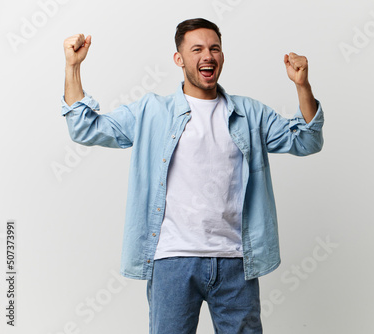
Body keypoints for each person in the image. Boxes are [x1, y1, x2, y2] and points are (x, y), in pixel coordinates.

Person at [62, 18, 324, 334]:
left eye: (214, 49)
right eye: (197, 49)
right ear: (179, 59)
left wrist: (302, 85)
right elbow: (86, 127)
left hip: (235, 262)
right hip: (173, 260)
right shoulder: (152, 111)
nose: (208, 56)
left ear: (222, 56)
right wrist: (73, 67)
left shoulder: (249, 113)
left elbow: (307, 139)